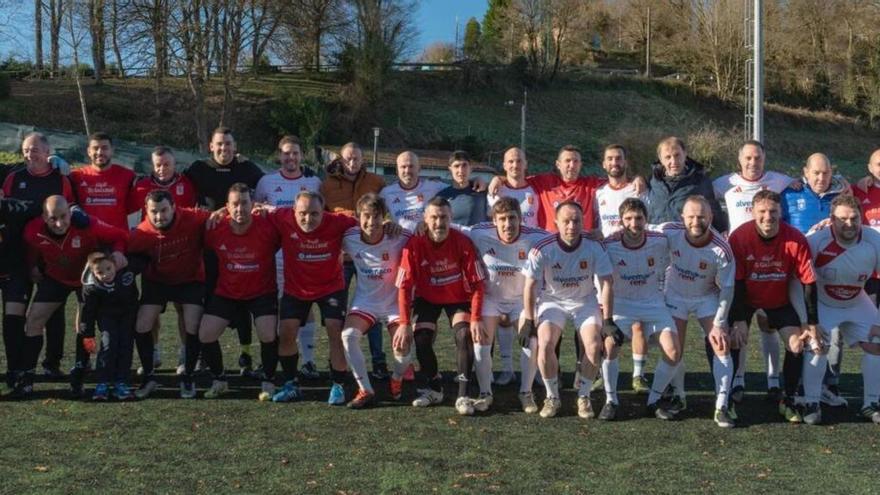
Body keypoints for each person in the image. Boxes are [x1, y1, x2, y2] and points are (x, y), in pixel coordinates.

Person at [712, 141, 797, 404]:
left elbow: (807, 181)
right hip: (736, 263)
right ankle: (739, 380)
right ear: (739, 160)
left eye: (758, 158)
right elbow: (702, 199)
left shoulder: (779, 180)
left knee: (768, 324)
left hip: (770, 260)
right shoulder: (723, 183)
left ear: (764, 158)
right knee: (738, 325)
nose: (753, 163)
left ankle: (772, 380)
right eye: (748, 158)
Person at [19, 195, 128, 398]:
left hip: (85, 281)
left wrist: (119, 253)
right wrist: (33, 265)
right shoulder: (32, 230)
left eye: (63, 217)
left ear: (70, 213)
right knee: (34, 320)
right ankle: (27, 375)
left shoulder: (89, 225)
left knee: (84, 327)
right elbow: (32, 248)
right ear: (44, 216)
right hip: (55, 279)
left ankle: (80, 370)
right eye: (53, 218)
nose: (59, 223)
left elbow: (120, 236)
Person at [728, 189, 819, 423]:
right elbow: (736, 281)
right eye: (762, 211)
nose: (767, 216)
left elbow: (809, 282)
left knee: (797, 345)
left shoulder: (795, 238)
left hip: (778, 301)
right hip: (746, 299)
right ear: (753, 212)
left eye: (773, 212)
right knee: (735, 338)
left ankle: (788, 398)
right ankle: (728, 395)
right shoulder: (739, 237)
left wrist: (812, 323)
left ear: (781, 212)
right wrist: (738, 319)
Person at [522, 200, 615, 419]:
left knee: (593, 346)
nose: (572, 226)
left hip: (585, 301)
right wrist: (528, 320)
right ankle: (552, 396)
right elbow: (530, 285)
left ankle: (583, 396)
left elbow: (607, 281)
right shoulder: (542, 248)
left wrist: (608, 319)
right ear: (556, 222)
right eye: (566, 221)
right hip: (553, 301)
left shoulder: (594, 246)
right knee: (545, 345)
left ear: (583, 222)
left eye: (576, 221)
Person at [395, 197, 487, 415]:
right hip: (428, 298)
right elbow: (404, 287)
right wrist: (404, 322)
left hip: (457, 298)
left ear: (451, 218)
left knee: (464, 335)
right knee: (421, 339)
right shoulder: (414, 245)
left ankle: (463, 395)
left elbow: (477, 284)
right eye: (434, 217)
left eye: (443, 217)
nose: (439, 222)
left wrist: (475, 318)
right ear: (425, 220)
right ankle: (435, 388)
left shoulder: (462, 242)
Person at [185, 127, 265, 376]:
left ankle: (246, 355)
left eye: (228, 144)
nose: (224, 149)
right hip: (209, 248)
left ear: (235, 146)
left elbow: (265, 190)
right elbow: (177, 190)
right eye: (219, 144)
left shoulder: (248, 169)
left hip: (242, 245)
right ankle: (203, 356)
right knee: (208, 301)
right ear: (211, 146)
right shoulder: (198, 169)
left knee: (243, 301)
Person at [268, 191, 357, 404]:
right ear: (293, 212)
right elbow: (254, 210)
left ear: (323, 211)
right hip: (296, 288)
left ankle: (338, 385)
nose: (308, 219)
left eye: (314, 213)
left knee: (336, 331)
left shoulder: (338, 221)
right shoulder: (281, 217)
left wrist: (390, 225)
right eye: (303, 213)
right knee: (286, 332)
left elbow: (368, 219)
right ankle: (291, 384)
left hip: (330, 287)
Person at [460, 197, 547, 412]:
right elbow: (455, 227)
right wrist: (421, 225)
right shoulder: (480, 233)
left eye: (512, 218)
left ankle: (525, 392)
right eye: (503, 219)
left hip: (521, 300)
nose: (508, 224)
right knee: (480, 342)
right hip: (491, 298)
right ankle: (485, 393)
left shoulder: (535, 236)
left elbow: (563, 236)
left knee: (532, 340)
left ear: (520, 219)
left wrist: (592, 234)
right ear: (494, 221)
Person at [2, 132, 76, 382]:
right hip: (16, 256)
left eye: (34, 149)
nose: (29, 154)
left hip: (50, 254)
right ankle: (17, 368)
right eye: (25, 150)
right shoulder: (14, 177)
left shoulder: (61, 179)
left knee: (53, 311)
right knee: (15, 314)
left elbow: (68, 213)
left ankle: (52, 363)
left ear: (47, 152)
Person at [198, 184, 281, 401]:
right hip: (228, 291)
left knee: (268, 334)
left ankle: (269, 381)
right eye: (234, 204)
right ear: (227, 207)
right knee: (205, 334)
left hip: (262, 292)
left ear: (252, 205)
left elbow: (292, 217)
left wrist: (270, 209)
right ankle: (219, 379)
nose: (239, 209)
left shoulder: (267, 227)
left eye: (244, 203)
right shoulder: (216, 227)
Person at [781, 153, 850, 407]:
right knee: (804, 329)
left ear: (833, 173)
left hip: (831, 276)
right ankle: (797, 386)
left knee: (833, 333)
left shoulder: (841, 197)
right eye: (816, 173)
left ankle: (828, 385)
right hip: (797, 277)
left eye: (826, 173)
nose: (821, 178)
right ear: (805, 172)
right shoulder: (789, 194)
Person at [126, 190, 211, 399]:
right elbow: (120, 246)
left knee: (193, 323)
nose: (159, 216)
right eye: (153, 212)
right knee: (141, 323)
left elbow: (219, 217)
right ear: (146, 211)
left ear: (174, 207)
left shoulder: (193, 217)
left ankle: (188, 375)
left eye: (164, 210)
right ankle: (149, 375)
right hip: (158, 282)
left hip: (190, 280)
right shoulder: (142, 232)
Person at [803, 194, 880, 425]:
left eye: (854, 218)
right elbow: (800, 281)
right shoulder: (816, 240)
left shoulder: (874, 239)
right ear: (831, 220)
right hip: (824, 304)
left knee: (876, 344)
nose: (849, 224)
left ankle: (871, 403)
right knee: (816, 346)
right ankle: (811, 402)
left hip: (857, 301)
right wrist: (809, 320)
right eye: (842, 219)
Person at [602, 198, 682, 420]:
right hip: (622, 305)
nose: (634, 223)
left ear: (647, 220)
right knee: (609, 346)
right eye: (628, 218)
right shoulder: (609, 245)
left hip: (653, 304)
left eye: (639, 218)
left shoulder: (660, 239)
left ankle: (654, 400)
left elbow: (684, 228)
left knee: (674, 351)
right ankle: (611, 400)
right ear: (620, 221)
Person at [661, 196, 737, 427]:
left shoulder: (721, 249)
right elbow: (638, 231)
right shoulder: (668, 231)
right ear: (682, 217)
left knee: (721, 343)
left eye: (701, 217)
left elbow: (727, 288)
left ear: (711, 217)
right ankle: (679, 396)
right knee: (674, 348)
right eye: (691, 216)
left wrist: (719, 322)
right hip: (675, 295)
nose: (696, 221)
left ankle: (722, 404)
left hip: (706, 297)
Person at [255, 135, 324, 381]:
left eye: (295, 153)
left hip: (305, 256)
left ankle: (308, 361)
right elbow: (256, 210)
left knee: (305, 307)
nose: (291, 157)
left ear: (301, 155)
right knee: (273, 306)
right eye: (286, 153)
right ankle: (271, 359)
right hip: (275, 257)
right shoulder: (266, 182)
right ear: (279, 155)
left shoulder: (314, 182)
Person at [128, 145, 198, 375]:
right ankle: (153, 351)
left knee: (183, 309)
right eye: (157, 164)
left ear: (174, 164)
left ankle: (185, 353)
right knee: (150, 311)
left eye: (166, 164)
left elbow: (191, 217)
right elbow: (133, 216)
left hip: (181, 256)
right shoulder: (141, 185)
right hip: (153, 257)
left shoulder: (185, 185)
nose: (162, 169)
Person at [340, 194, 412, 408]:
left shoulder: (399, 236)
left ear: (384, 217)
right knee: (348, 336)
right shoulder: (349, 237)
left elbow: (422, 235)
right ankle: (365, 389)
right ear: (358, 217)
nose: (371, 222)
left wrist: (401, 226)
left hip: (394, 303)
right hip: (366, 301)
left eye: (376, 216)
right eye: (366, 216)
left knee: (404, 347)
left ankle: (397, 378)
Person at [593, 143, 650, 394]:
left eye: (619, 158)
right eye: (610, 159)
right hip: (606, 264)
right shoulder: (598, 193)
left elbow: (650, 221)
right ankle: (599, 372)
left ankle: (638, 375)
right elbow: (596, 227)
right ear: (604, 164)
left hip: (635, 260)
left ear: (626, 162)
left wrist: (643, 179)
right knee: (601, 321)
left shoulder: (638, 189)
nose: (614, 162)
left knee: (637, 322)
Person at [79, 251, 139, 401]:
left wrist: (133, 319)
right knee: (108, 345)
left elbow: (133, 298)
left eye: (108, 269)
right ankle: (103, 382)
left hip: (126, 316)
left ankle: (121, 382)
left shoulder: (126, 276)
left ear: (115, 266)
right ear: (93, 272)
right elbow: (88, 311)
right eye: (100, 272)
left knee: (125, 345)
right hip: (106, 317)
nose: (106, 274)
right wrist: (88, 334)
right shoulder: (91, 286)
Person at [0, 196, 41, 396]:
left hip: (15, 272)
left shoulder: (17, 208)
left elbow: (47, 210)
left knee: (13, 319)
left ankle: (16, 371)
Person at [646, 136, 726, 232]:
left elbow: (714, 212)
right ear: (661, 159)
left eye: (677, 155)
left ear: (685, 154)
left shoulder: (700, 181)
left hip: (686, 241)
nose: (673, 161)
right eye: (668, 157)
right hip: (658, 240)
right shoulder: (652, 181)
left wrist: (721, 232)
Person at [69, 132, 136, 230]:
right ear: (89, 151)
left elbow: (136, 203)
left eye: (105, 148)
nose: (100, 152)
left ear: (112, 151)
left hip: (117, 238)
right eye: (95, 148)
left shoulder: (128, 175)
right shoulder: (76, 175)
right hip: (87, 238)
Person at [380, 151, 447, 231]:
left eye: (411, 166)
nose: (407, 171)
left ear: (419, 168)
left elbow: (458, 189)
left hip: (425, 239)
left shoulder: (433, 186)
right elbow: (375, 215)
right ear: (397, 171)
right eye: (403, 167)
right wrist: (385, 222)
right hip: (400, 241)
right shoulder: (386, 193)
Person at [486, 147, 540, 229]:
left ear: (525, 164)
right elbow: (490, 221)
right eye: (511, 161)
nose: (515, 165)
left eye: (519, 161)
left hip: (531, 240)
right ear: (504, 165)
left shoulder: (538, 189)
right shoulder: (496, 190)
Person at [436, 150, 487, 226]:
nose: (461, 170)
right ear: (450, 169)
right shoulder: (442, 196)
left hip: (479, 237)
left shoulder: (482, 189)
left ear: (471, 168)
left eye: (464, 165)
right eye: (456, 166)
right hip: (454, 237)